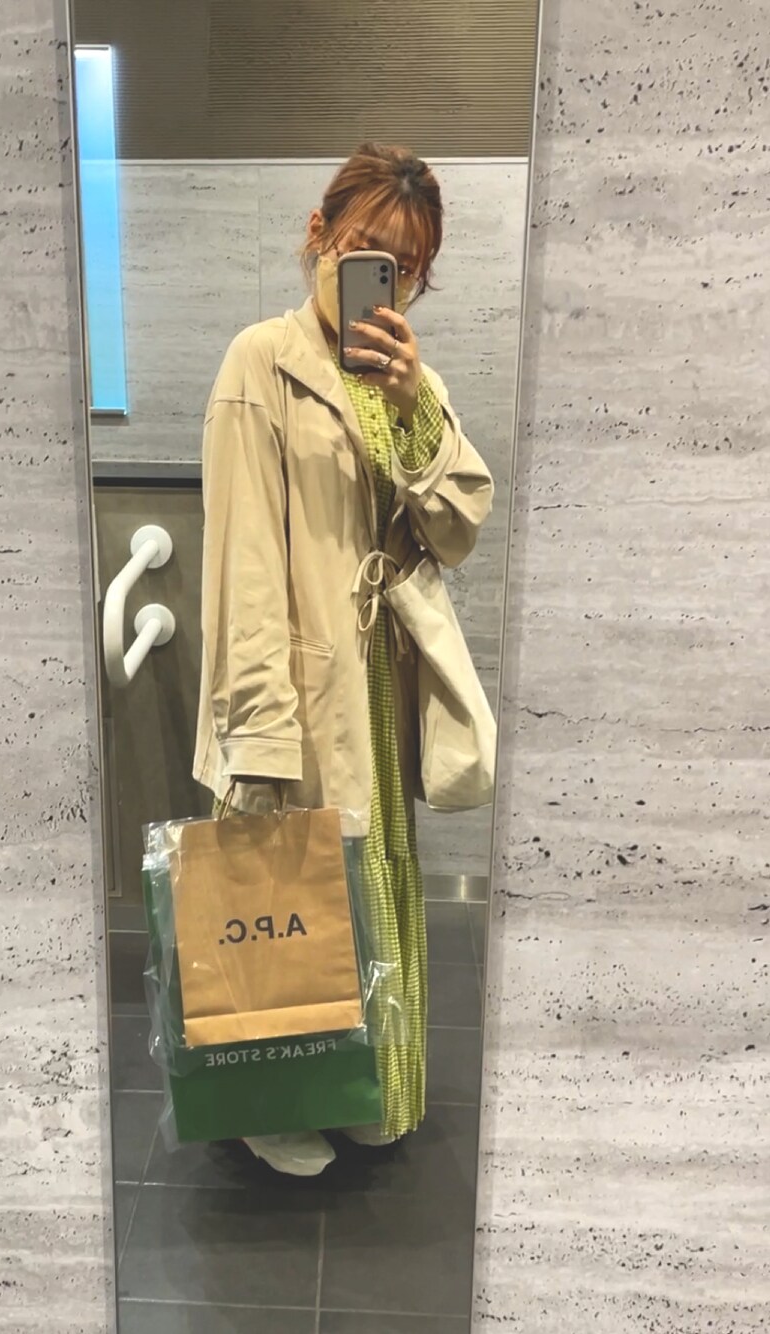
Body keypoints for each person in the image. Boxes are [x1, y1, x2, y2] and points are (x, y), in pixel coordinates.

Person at [193, 143, 494, 1177]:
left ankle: (358, 1079)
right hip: (292, 675)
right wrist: (258, 732)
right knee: (283, 899)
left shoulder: (410, 381)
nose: (384, 278)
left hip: (376, 679)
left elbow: (457, 528)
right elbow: (241, 563)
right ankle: (270, 1100)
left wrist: (413, 411)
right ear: (319, 236)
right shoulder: (259, 362)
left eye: (404, 267)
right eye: (368, 248)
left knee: (363, 891)